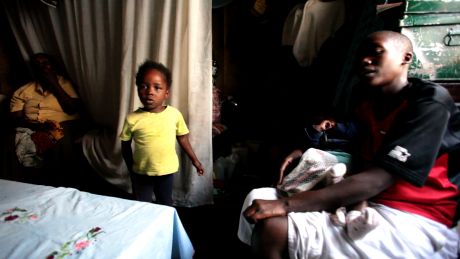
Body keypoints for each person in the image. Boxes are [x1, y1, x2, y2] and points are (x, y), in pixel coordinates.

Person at [237, 30, 460, 258]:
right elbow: (348, 141)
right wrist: (302, 150)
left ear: (406, 58)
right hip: (368, 201)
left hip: (415, 216)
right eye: (361, 54)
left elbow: (378, 179)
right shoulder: (367, 100)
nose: (365, 59)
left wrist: (286, 205)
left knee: (273, 228)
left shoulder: (429, 102)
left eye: (376, 53)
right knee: (256, 199)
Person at [120, 60, 205, 206]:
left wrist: (195, 160)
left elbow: (183, 139)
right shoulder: (132, 119)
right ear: (138, 90)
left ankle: (164, 228)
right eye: (144, 86)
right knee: (142, 206)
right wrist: (132, 169)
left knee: (165, 204)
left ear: (166, 93)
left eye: (157, 87)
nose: (150, 92)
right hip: (141, 173)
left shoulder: (174, 114)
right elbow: (125, 146)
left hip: (166, 172)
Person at [9, 53, 84, 186]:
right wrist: (38, 128)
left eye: (45, 63)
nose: (42, 67)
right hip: (33, 126)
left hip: (63, 124)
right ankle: (17, 187)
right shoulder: (23, 91)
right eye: (37, 65)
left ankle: (61, 185)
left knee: (58, 139)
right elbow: (16, 119)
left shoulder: (65, 83)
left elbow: (72, 109)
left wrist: (54, 84)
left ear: (53, 67)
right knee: (10, 141)